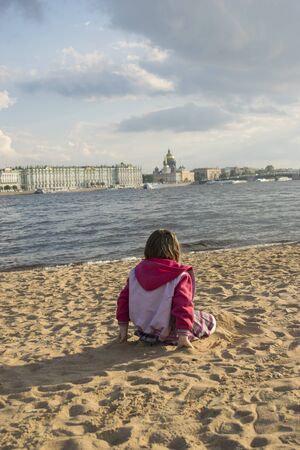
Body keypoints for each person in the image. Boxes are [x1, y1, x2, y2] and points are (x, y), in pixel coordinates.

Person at [116, 229, 216, 348]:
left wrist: (123, 328)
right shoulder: (179, 276)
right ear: (174, 249)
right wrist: (183, 336)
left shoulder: (134, 273)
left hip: (145, 332)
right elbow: (183, 305)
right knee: (209, 320)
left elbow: (123, 300)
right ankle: (181, 336)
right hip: (171, 332)